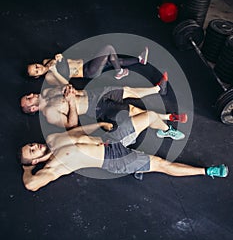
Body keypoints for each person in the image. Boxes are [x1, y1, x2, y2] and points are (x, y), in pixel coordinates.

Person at [19, 111, 229, 192]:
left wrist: (99, 123)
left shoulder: (53, 138)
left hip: (109, 139)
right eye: (32, 151)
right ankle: (207, 171)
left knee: (148, 116)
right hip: (114, 158)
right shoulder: (54, 166)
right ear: (34, 161)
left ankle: (166, 131)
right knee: (161, 164)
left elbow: (77, 130)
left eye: (30, 145)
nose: (34, 146)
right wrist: (26, 170)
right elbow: (31, 185)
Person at [20, 74, 187, 139]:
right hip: (96, 109)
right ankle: (166, 124)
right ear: (33, 109)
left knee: (126, 91)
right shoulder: (49, 113)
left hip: (92, 94)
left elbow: (68, 86)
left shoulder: (48, 91)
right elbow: (71, 125)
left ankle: (157, 89)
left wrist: (68, 88)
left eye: (29, 95)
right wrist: (71, 102)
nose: (31, 95)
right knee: (134, 111)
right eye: (29, 99)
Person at [27, 45, 149, 85]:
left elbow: (57, 61)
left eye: (36, 66)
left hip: (87, 61)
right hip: (88, 71)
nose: (39, 68)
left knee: (114, 60)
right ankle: (119, 72)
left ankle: (139, 60)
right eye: (36, 71)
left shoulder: (45, 62)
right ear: (37, 76)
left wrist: (56, 60)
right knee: (108, 48)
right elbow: (65, 83)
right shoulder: (49, 78)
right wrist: (53, 71)